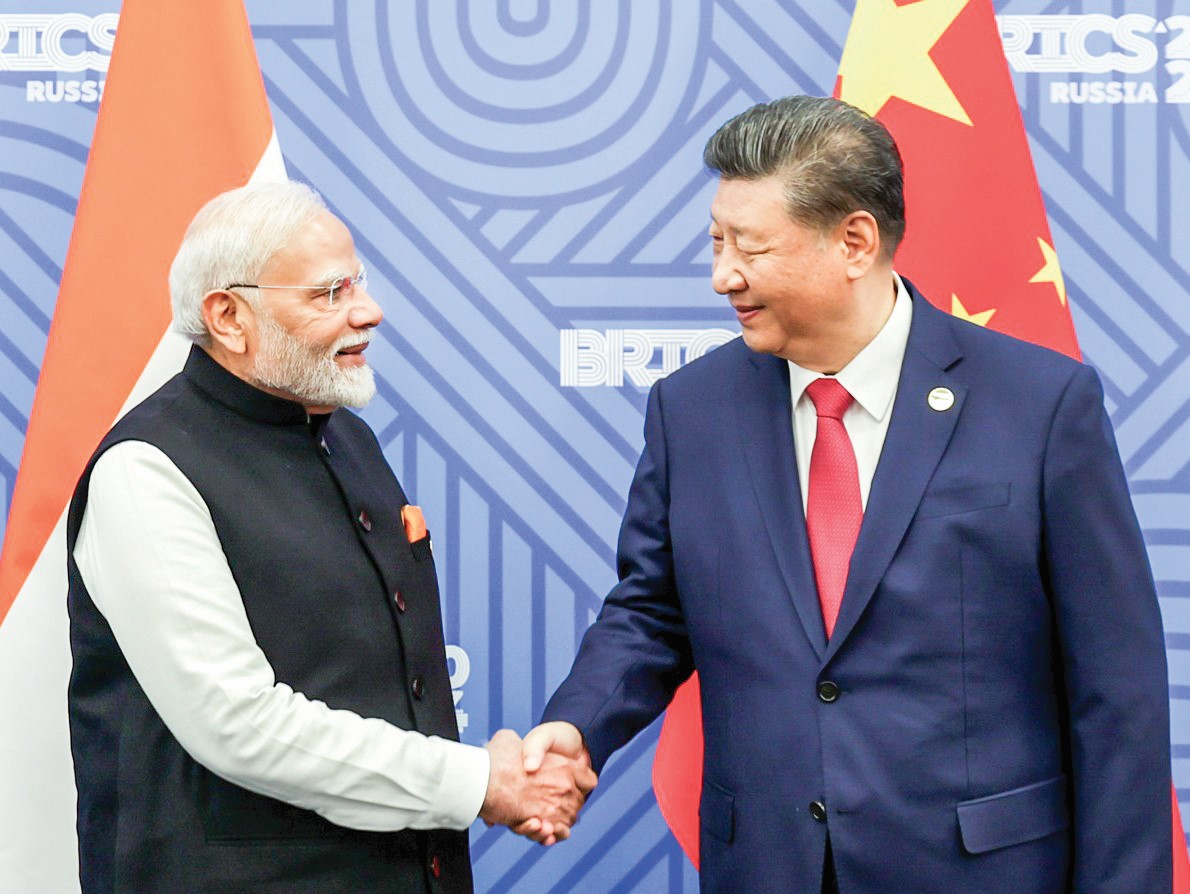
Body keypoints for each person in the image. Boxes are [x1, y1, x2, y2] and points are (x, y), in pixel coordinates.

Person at [523, 96, 1172, 893]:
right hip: (769, 866)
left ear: (855, 242)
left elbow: (1117, 691)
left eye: (750, 248)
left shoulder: (1040, 405)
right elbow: (651, 609)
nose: (723, 274)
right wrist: (574, 724)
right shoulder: (691, 409)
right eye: (717, 242)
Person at [66, 181, 594, 894]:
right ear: (228, 316)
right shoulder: (146, 470)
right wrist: (480, 781)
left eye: (360, 285)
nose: (368, 312)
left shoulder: (349, 440)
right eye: (329, 294)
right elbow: (237, 724)